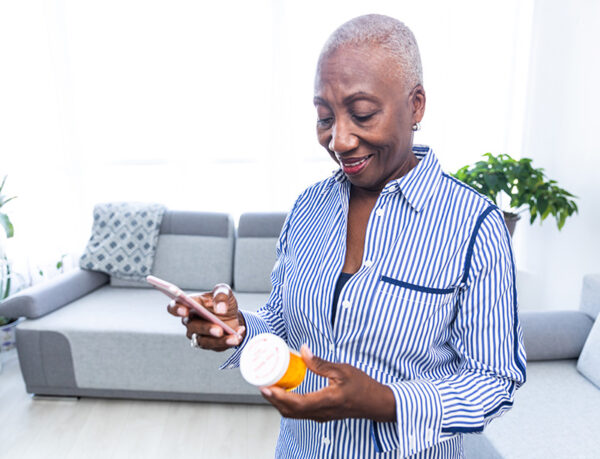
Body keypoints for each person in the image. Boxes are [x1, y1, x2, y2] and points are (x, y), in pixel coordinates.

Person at [167, 14, 526, 458]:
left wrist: (386, 402)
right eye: (324, 117)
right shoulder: (308, 207)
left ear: (416, 105)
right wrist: (237, 328)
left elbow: (494, 381)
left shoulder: (475, 226)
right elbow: (283, 325)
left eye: (362, 114)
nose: (338, 140)